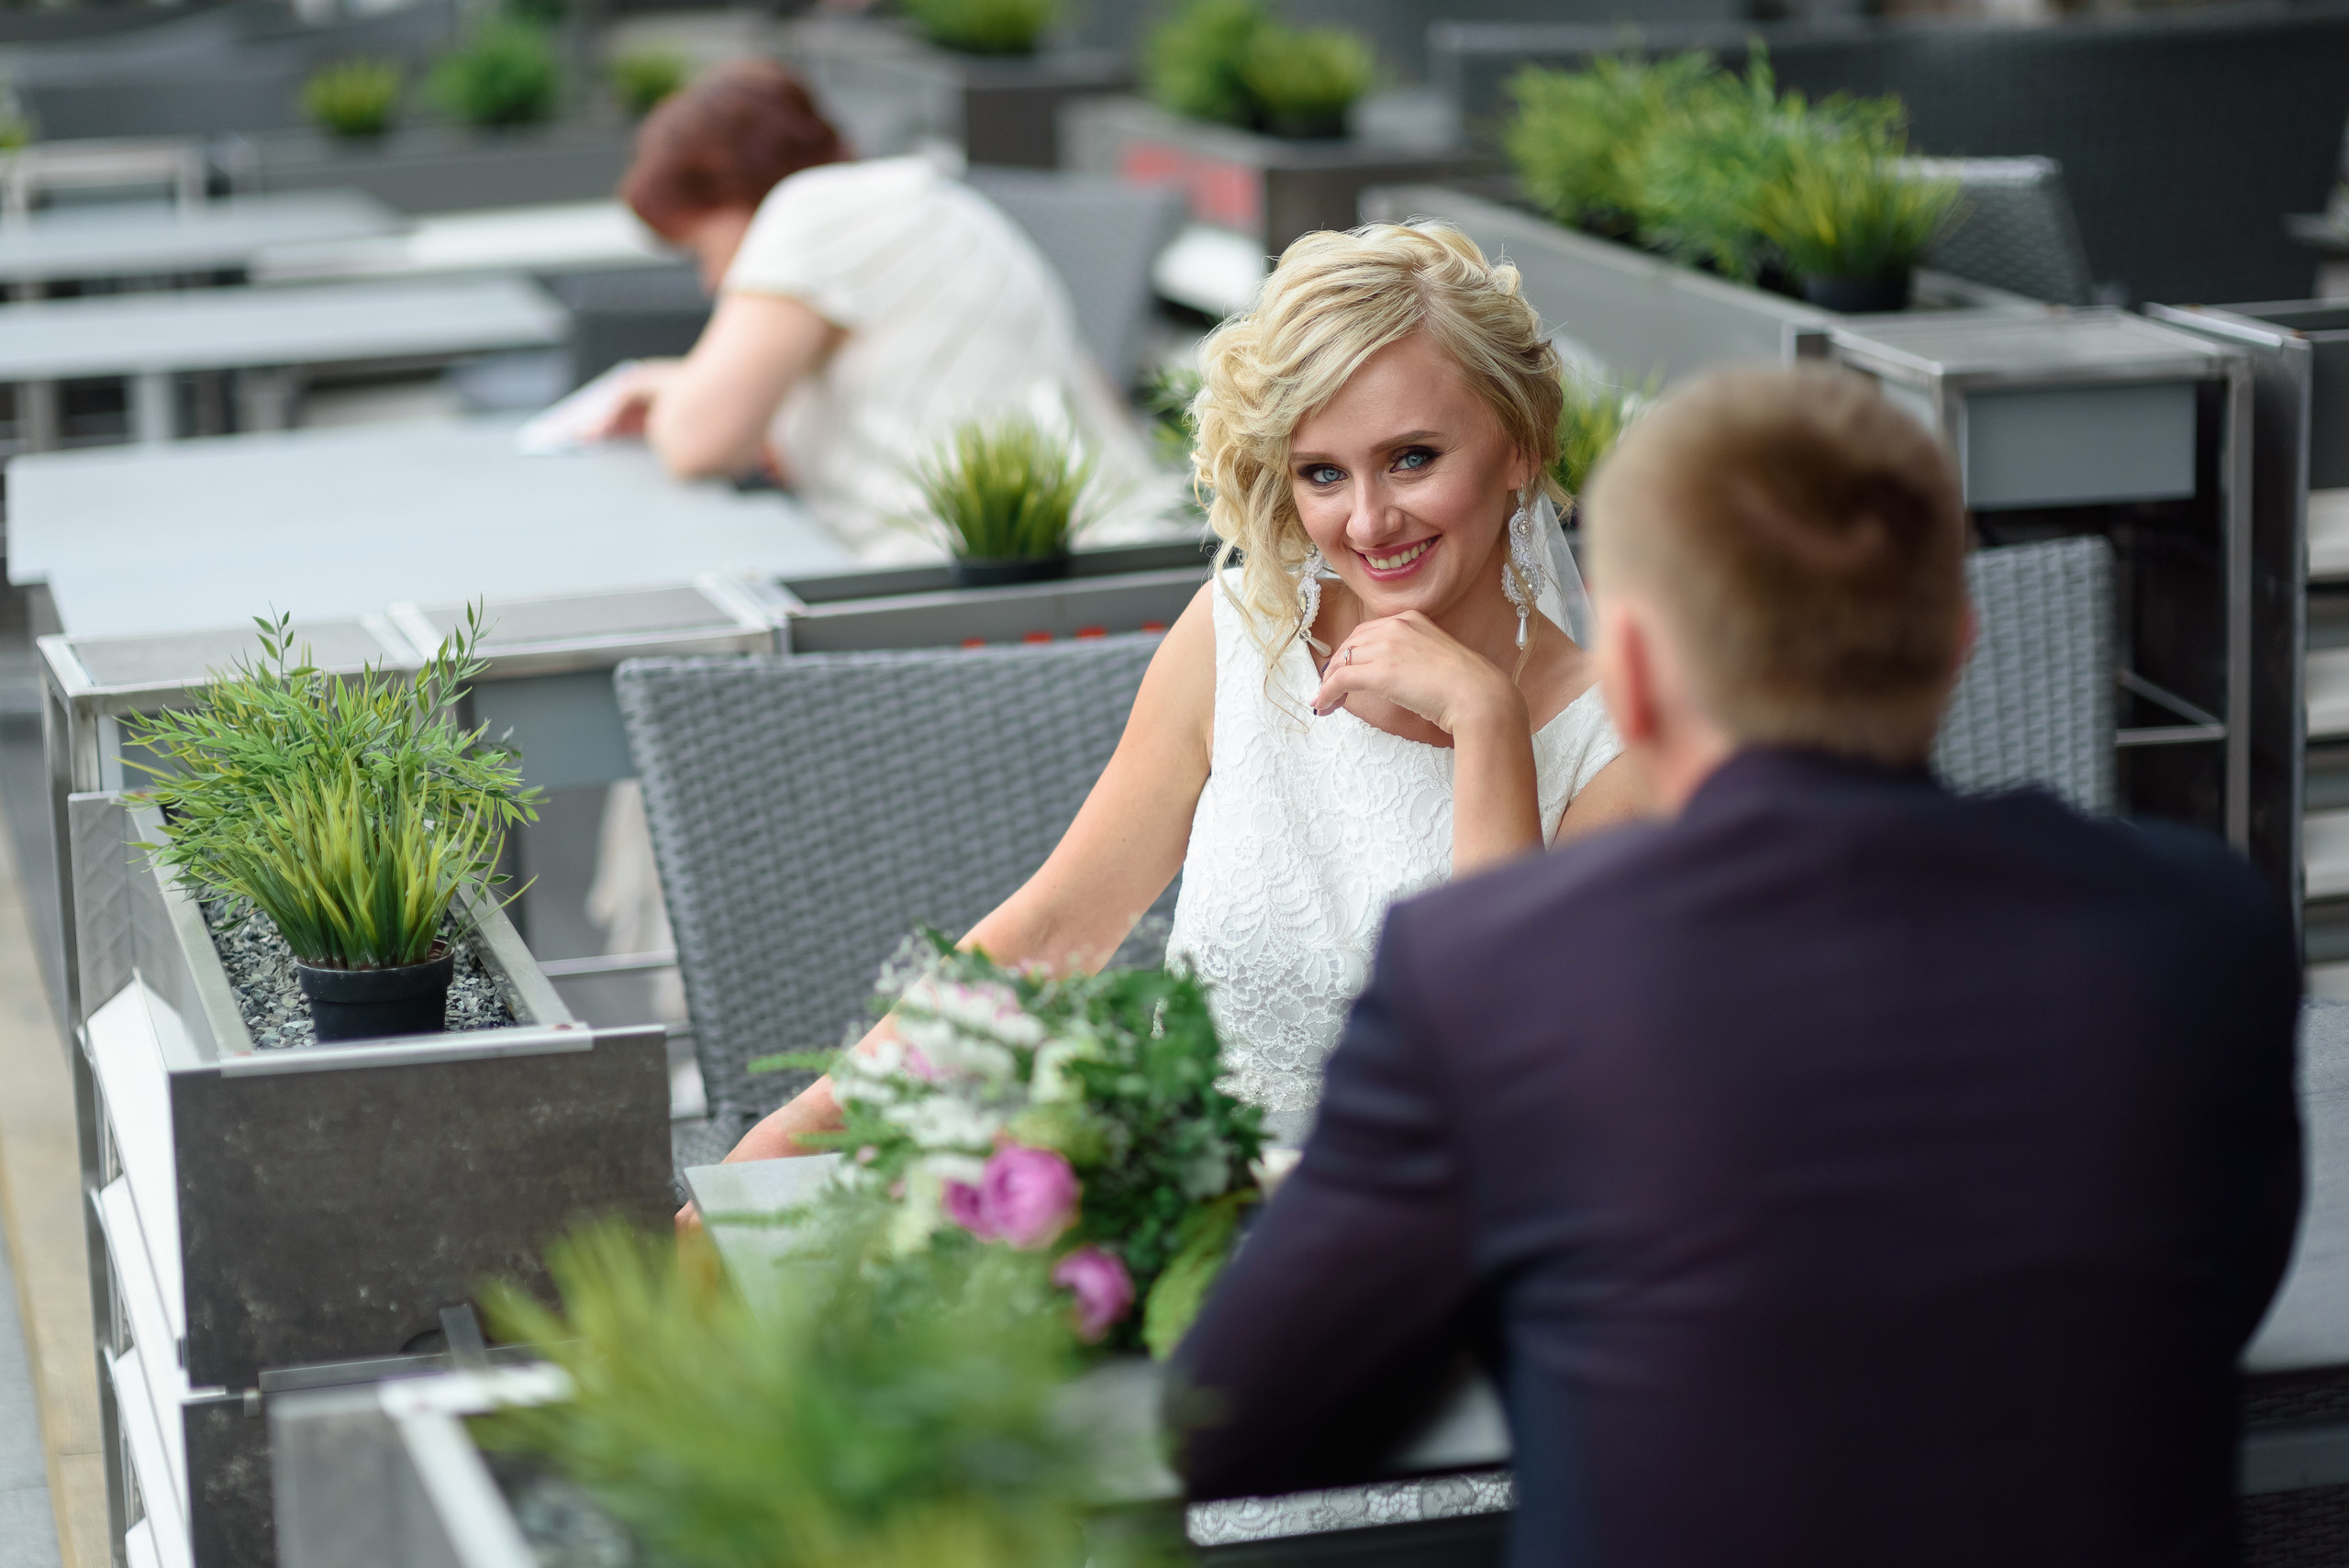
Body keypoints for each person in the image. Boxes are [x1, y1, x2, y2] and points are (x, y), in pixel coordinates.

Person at [1169, 363, 2307, 1567]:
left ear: (1639, 671)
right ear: (1959, 641)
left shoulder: (1489, 974)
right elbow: (2215, 1297)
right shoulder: (2204, 932)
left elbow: (1231, 1426)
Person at [705, 221, 1646, 1171]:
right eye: (1323, 472)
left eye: (1412, 458)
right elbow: (1051, 933)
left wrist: (1486, 724)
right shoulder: (1238, 634)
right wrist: (783, 1145)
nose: (1367, 520)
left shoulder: (1615, 742)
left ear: (1521, 447)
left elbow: (1499, 1083)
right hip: (1172, 1224)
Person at [584, 61, 1123, 560]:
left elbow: (697, 443)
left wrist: (671, 390)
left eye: (703, 248)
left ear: (734, 190)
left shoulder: (814, 210)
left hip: (987, 590)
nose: (712, 280)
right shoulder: (906, 204)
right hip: (1048, 562)